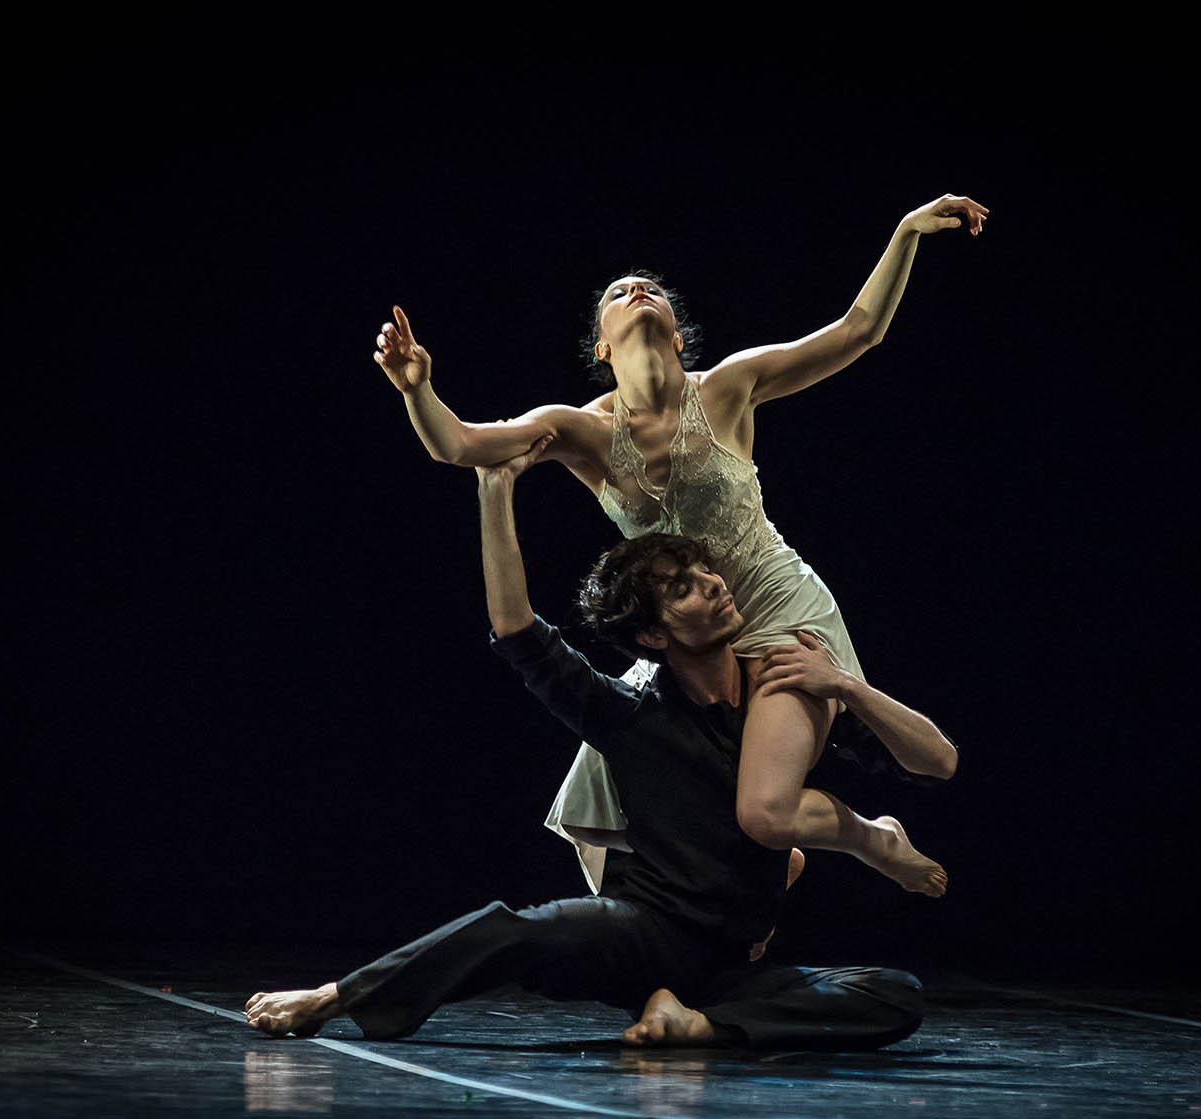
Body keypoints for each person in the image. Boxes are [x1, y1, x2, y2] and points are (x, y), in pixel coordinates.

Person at [245, 438, 959, 1049]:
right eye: (683, 587)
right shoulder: (631, 714)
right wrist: (495, 491)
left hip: (730, 965)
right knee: (517, 929)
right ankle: (339, 996)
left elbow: (937, 760)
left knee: (896, 994)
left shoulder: (783, 689)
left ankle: (697, 1023)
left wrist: (847, 684)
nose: (712, 583)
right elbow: (517, 631)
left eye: (704, 570)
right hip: (647, 933)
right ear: (653, 634)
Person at [373, 194, 986, 891]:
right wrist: (416, 390)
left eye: (652, 290)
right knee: (593, 801)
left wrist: (905, 231)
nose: (637, 290)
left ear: (677, 338)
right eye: (618, 292)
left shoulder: (728, 386)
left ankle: (873, 837)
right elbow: (462, 446)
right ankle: (667, 945)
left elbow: (860, 329)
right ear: (601, 346)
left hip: (775, 609)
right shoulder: (582, 431)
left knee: (765, 806)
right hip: (688, 634)